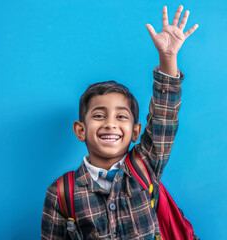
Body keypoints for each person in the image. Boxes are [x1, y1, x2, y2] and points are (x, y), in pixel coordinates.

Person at [41, 5, 198, 239]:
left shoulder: (145, 164)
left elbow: (164, 116)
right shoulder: (62, 193)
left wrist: (168, 58)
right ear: (80, 130)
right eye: (98, 115)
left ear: (135, 132)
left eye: (121, 116)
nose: (110, 124)